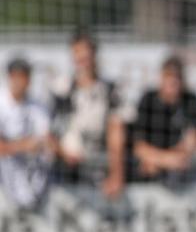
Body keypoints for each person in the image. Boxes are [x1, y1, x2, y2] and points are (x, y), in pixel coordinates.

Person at [50, 28, 125, 198]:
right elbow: (49, 133)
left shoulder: (110, 90)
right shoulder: (61, 88)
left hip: (99, 169)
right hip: (66, 173)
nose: (82, 56)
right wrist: (63, 152)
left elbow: (116, 134)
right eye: (77, 51)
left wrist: (116, 174)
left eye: (86, 50)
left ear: (94, 53)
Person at [132, 55, 196, 183]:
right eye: (169, 76)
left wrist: (167, 160)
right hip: (150, 171)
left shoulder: (190, 100)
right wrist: (164, 160)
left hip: (181, 171)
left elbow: (194, 140)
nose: (173, 81)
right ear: (161, 78)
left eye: (177, 77)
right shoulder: (148, 100)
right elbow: (139, 146)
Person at [0, 56, 51, 209]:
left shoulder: (38, 107)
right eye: (16, 76)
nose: (20, 82)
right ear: (10, 77)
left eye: (24, 76)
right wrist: (22, 145)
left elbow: (46, 140)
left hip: (29, 178)